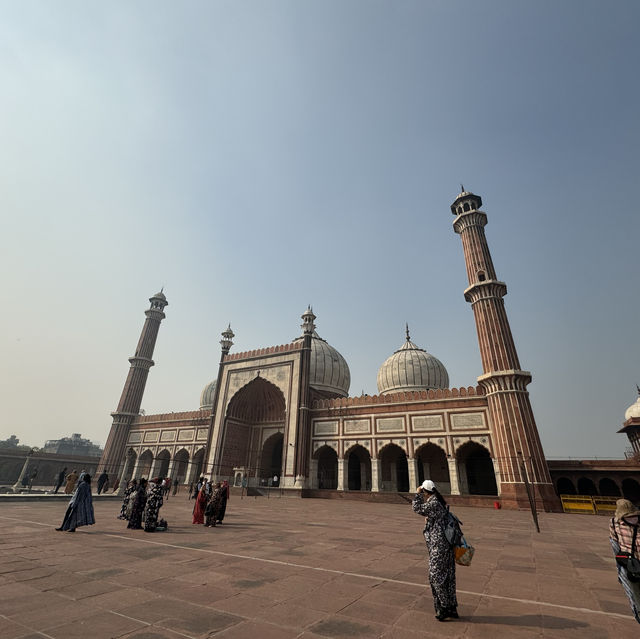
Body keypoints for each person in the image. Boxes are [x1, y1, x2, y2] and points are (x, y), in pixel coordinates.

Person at [412, 479, 458, 621]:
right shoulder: (440, 502)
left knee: (435, 576)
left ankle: (443, 606)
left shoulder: (433, 503)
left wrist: (417, 494)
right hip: (447, 546)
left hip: (439, 546)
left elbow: (416, 508)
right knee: (449, 576)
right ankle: (451, 606)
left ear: (425, 491)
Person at [609, 499, 640, 623]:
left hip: (629, 565)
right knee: (635, 596)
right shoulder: (613, 523)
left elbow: (615, 547)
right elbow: (614, 545)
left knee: (635, 596)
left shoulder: (614, 522)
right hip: (630, 566)